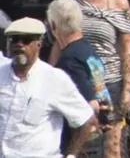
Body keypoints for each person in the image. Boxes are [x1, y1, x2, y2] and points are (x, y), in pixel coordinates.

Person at [65, 0, 128, 153]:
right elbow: (60, 42)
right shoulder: (72, 3)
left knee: (112, 145)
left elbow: (125, 51)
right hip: (79, 82)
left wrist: (127, 90)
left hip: (110, 82)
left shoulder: (119, 4)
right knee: (80, 145)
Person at [0, 16, 89, 158]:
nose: (19, 45)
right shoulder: (1, 73)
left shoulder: (54, 79)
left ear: (39, 44)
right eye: (14, 40)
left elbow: (86, 120)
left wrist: (71, 155)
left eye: (26, 40)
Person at [41, 0, 104, 146]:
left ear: (54, 25)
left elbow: (90, 104)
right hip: (95, 136)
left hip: (82, 140)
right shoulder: (86, 48)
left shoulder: (69, 60)